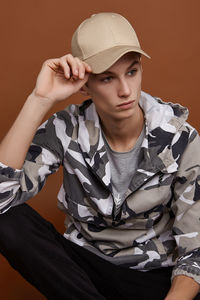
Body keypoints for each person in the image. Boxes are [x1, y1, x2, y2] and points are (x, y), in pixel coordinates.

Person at [0, 12, 200, 300]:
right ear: (84, 84)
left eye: (132, 72)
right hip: (85, 274)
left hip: (154, 279)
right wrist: (39, 99)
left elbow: (195, 252)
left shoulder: (181, 138)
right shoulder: (64, 129)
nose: (125, 90)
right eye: (107, 78)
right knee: (7, 220)